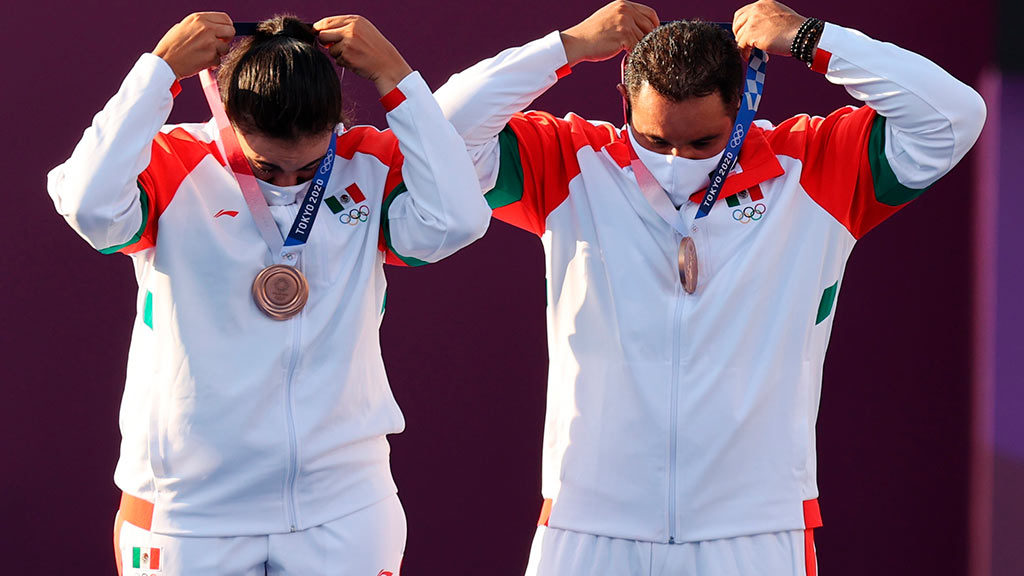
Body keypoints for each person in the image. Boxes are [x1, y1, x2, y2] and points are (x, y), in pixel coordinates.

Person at [434, 0, 985, 574]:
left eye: (703, 144)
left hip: (753, 529)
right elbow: (441, 130)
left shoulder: (817, 167)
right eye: (654, 141)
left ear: (743, 109)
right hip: (588, 523)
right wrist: (567, 46)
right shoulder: (570, 163)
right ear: (624, 104)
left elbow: (954, 116)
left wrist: (808, 38)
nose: (677, 160)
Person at [47, 12, 490, 576]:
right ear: (229, 120)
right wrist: (158, 72)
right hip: (189, 513)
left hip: (345, 507)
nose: (287, 182)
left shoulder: (367, 163)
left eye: (307, 168)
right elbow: (89, 207)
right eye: (265, 167)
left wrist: (395, 74)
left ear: (335, 127)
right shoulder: (173, 160)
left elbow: (457, 220)